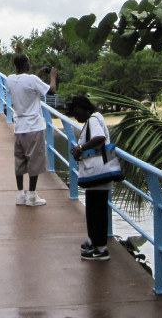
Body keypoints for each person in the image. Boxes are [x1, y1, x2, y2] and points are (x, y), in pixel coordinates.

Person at [6, 46, 56, 206]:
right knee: (34, 161)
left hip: (19, 127)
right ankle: (32, 196)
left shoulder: (10, 79)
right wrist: (53, 77)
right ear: (26, 65)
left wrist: (37, 75)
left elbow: (24, 84)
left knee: (20, 161)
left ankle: (20, 194)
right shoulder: (32, 80)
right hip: (34, 126)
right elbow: (51, 91)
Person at [67, 94, 113, 262]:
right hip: (101, 172)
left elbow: (99, 138)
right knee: (96, 210)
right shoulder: (97, 117)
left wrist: (81, 148)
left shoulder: (93, 120)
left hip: (98, 174)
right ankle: (95, 242)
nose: (76, 117)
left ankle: (101, 249)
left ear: (83, 108)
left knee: (96, 211)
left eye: (76, 113)